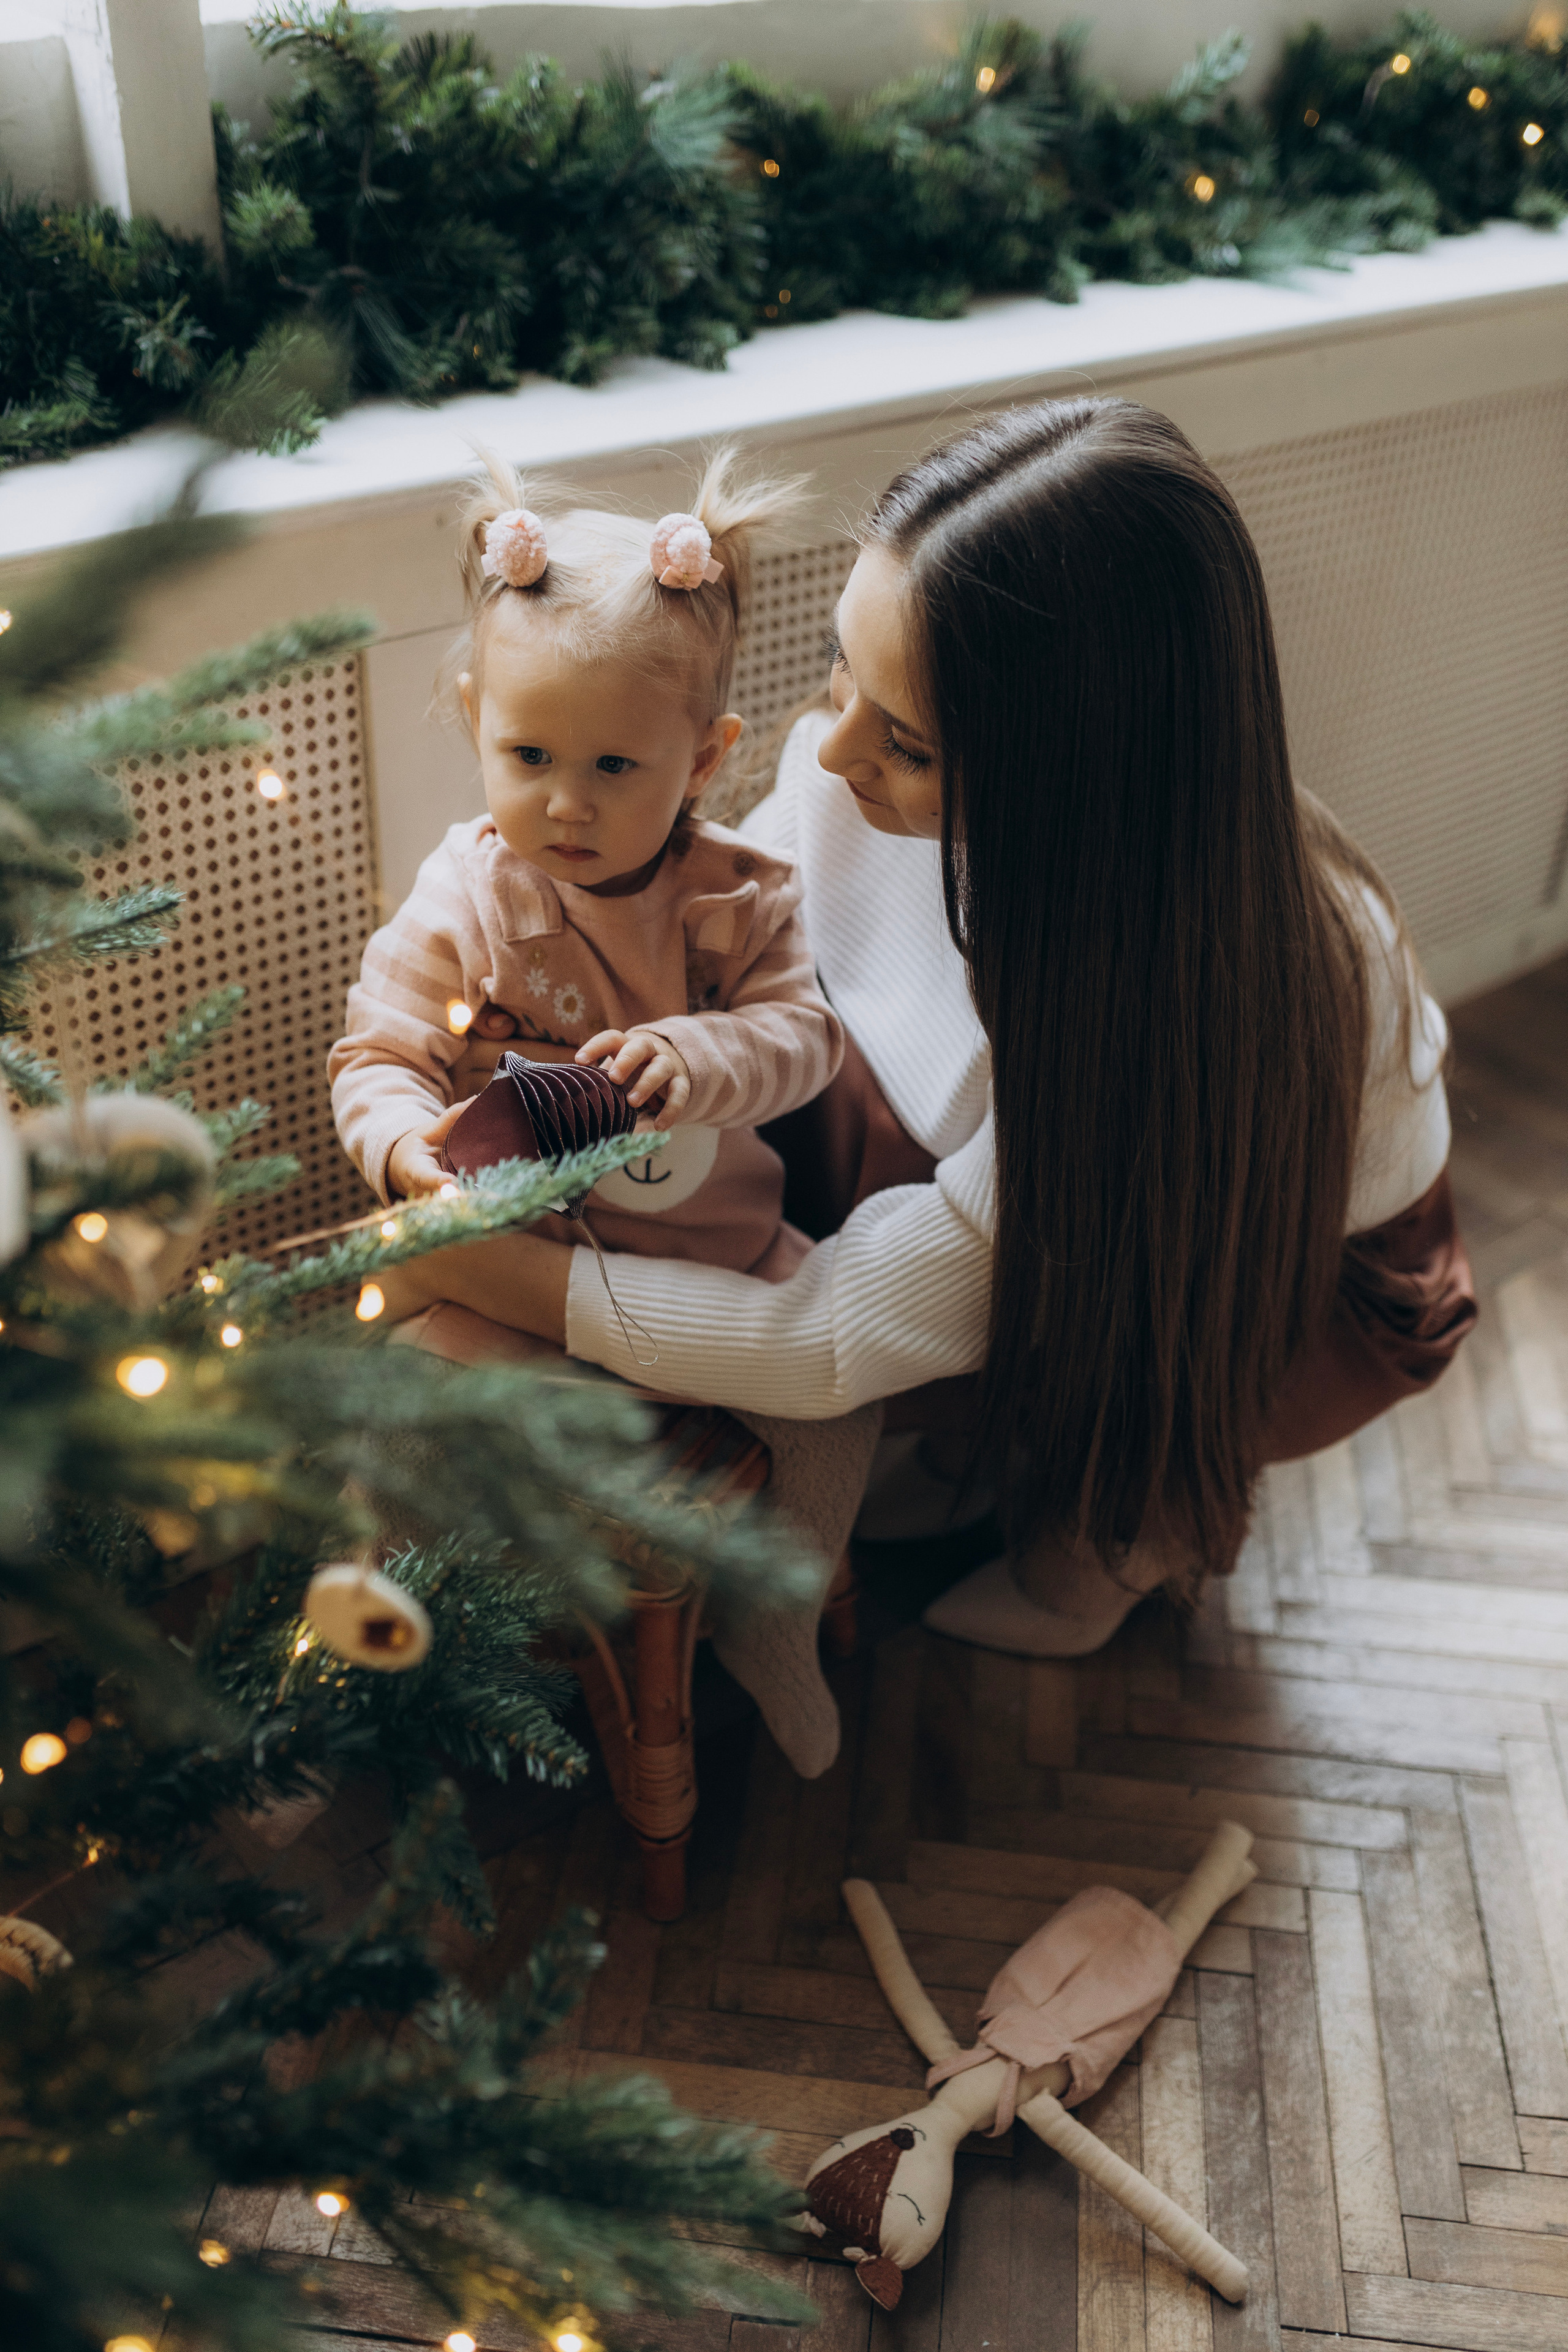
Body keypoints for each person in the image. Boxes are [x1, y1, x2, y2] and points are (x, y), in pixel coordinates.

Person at [374, 398, 1476, 1706]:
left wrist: (510, 1276)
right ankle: (978, 1433)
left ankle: (1117, 1540)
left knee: (1065, 1424)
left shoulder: (1170, 1013)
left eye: (904, 741)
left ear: (1060, 783)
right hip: (1003, 1165)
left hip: (1251, 1279)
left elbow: (830, 1336)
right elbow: (749, 960)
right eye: (842, 671)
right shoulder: (865, 771)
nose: (830, 748)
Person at [331, 450, 881, 1777]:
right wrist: (404, 1149)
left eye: (614, 766)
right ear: (476, 717)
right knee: (388, 1421)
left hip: (714, 1265)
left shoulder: (743, 896)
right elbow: (376, 1055)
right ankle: (345, 1657)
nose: (564, 803)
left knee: (842, 1409)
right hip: (517, 1275)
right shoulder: (466, 897)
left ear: (704, 759)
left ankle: (774, 1622)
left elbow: (807, 1040)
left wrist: (703, 1053)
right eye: (527, 755)